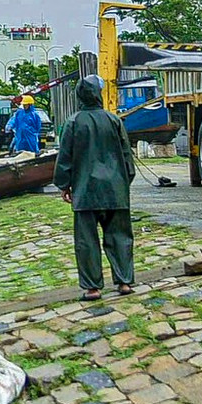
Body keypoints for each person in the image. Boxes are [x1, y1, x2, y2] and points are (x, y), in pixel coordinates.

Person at [54, 74, 136, 300]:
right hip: (115, 190)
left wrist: (64, 185)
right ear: (98, 95)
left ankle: (92, 288)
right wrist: (123, 184)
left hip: (85, 191)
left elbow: (65, 158)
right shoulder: (114, 120)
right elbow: (127, 158)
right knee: (120, 236)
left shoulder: (72, 123)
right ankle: (124, 282)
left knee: (86, 241)